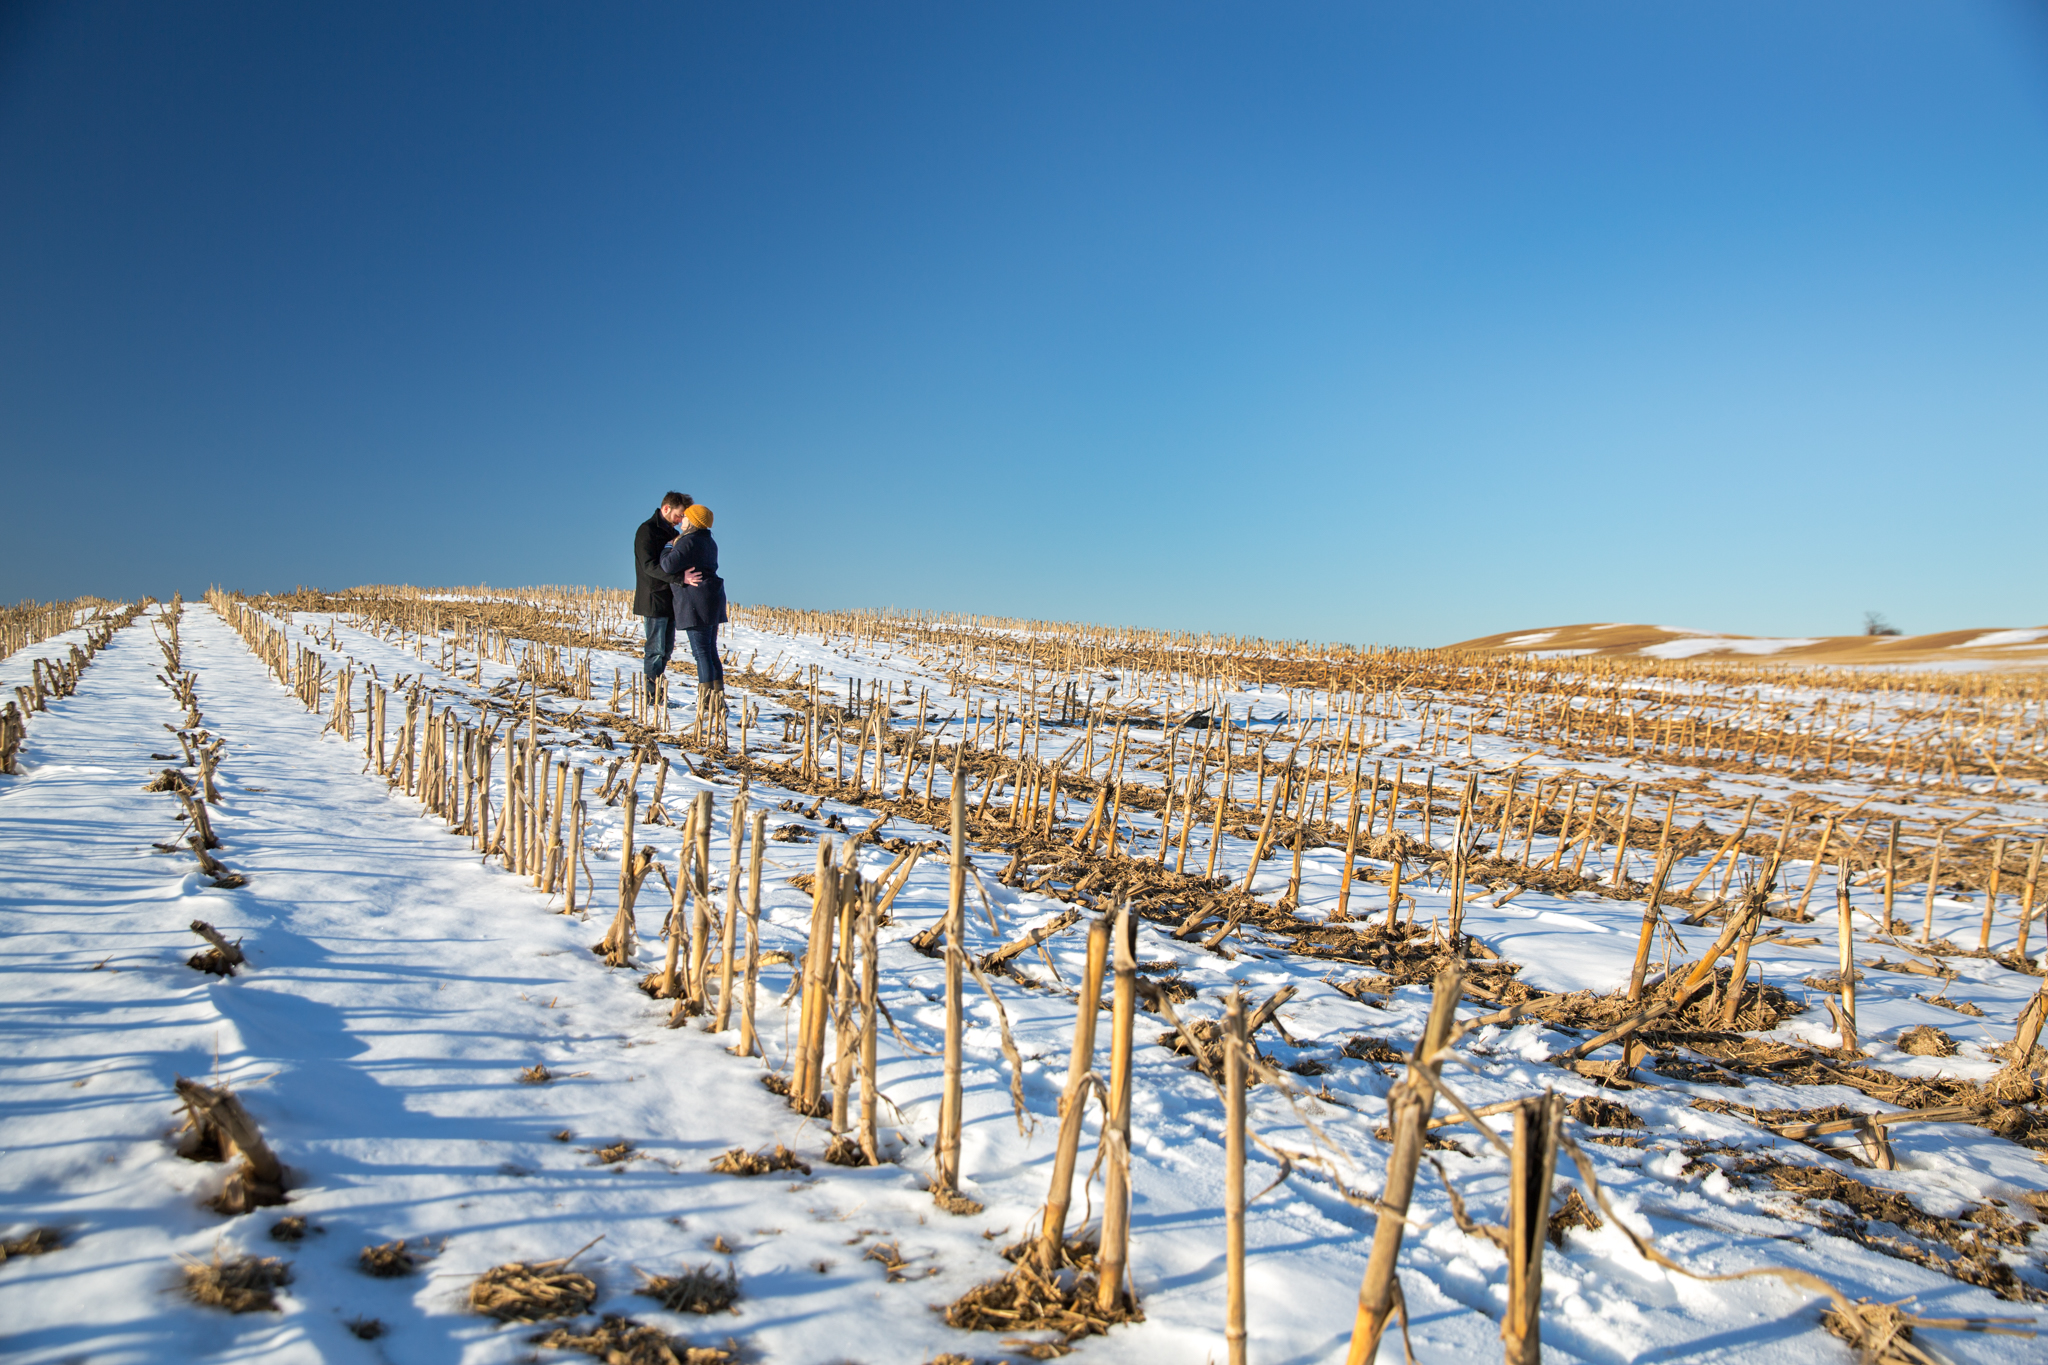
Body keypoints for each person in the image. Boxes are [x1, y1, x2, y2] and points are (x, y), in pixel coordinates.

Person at [658, 503, 727, 720]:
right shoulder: (709, 541)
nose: (682, 521)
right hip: (712, 598)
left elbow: (668, 566)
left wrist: (668, 547)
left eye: (685, 517)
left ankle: (707, 702)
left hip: (696, 600)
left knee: (702, 653)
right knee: (710, 650)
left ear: (693, 521)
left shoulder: (688, 541)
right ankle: (717, 699)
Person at [633, 492, 703, 687]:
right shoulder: (647, 531)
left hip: (671, 599)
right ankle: (651, 697)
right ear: (666, 509)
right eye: (679, 515)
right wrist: (681, 578)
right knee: (655, 650)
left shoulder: (674, 534)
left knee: (666, 651)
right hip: (653, 599)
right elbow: (649, 566)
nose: (681, 520)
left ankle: (658, 697)